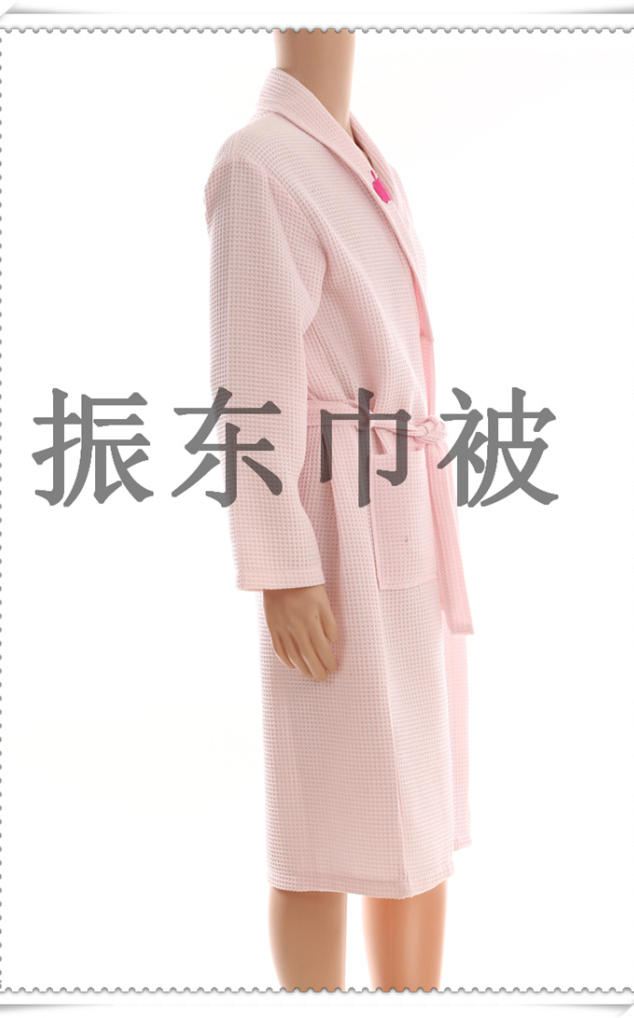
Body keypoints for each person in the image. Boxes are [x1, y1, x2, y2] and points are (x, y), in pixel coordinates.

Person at [204, 27, 474, 991]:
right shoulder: (258, 162)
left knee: (419, 815)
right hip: (330, 537)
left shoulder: (365, 158)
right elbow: (250, 384)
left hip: (399, 508)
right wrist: (282, 567)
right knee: (323, 822)